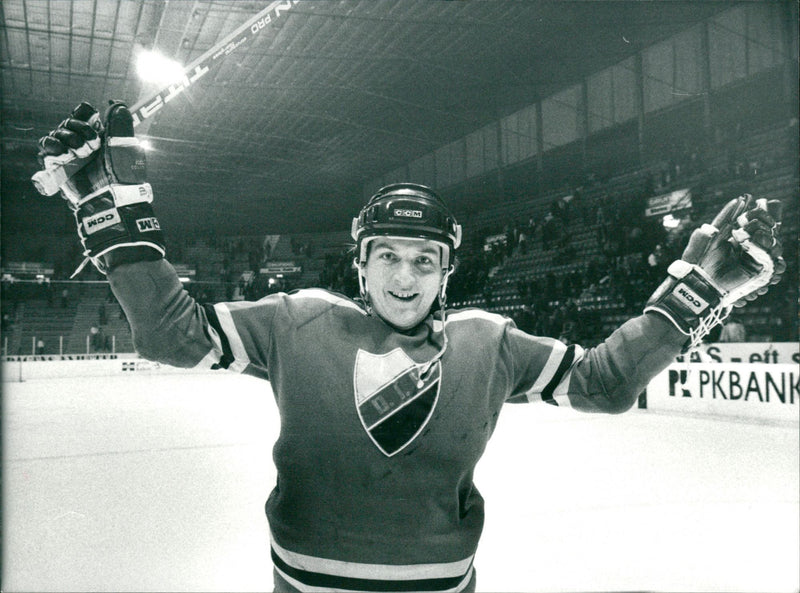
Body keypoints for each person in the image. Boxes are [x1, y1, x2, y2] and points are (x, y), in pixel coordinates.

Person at [33, 102, 785, 593]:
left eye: (424, 259)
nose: (404, 275)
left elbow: (605, 382)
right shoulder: (295, 320)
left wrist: (696, 290)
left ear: (448, 272)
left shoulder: (489, 341)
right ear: (359, 265)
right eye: (387, 256)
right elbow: (169, 334)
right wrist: (114, 209)